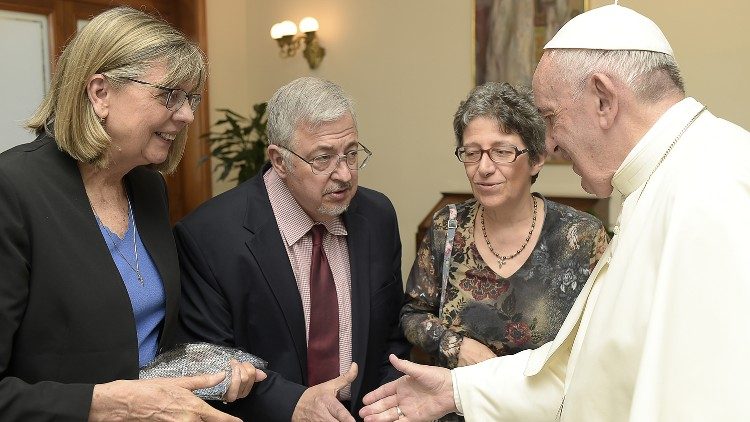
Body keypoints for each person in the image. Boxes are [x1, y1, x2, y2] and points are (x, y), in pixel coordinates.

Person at [359, 3, 750, 421]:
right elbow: (583, 369)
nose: (552, 145)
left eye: (551, 117)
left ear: (603, 99)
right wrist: (458, 388)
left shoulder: (713, 185)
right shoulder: (659, 183)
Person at [0, 7, 264, 421]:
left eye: (190, 98)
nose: (188, 116)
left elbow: (144, 342)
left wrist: (203, 369)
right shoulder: (12, 191)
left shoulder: (147, 188)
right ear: (100, 92)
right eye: (169, 95)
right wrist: (108, 404)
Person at [173, 76, 411, 421]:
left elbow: (391, 335)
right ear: (279, 160)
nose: (344, 174)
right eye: (323, 158)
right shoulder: (210, 235)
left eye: (352, 153)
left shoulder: (377, 216)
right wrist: (291, 404)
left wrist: (385, 406)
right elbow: (206, 360)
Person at [401, 82, 607, 421]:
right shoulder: (447, 227)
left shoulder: (581, 237)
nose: (483, 167)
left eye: (502, 151)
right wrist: (455, 345)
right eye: (472, 152)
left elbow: (598, 347)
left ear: (537, 158)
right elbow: (413, 313)